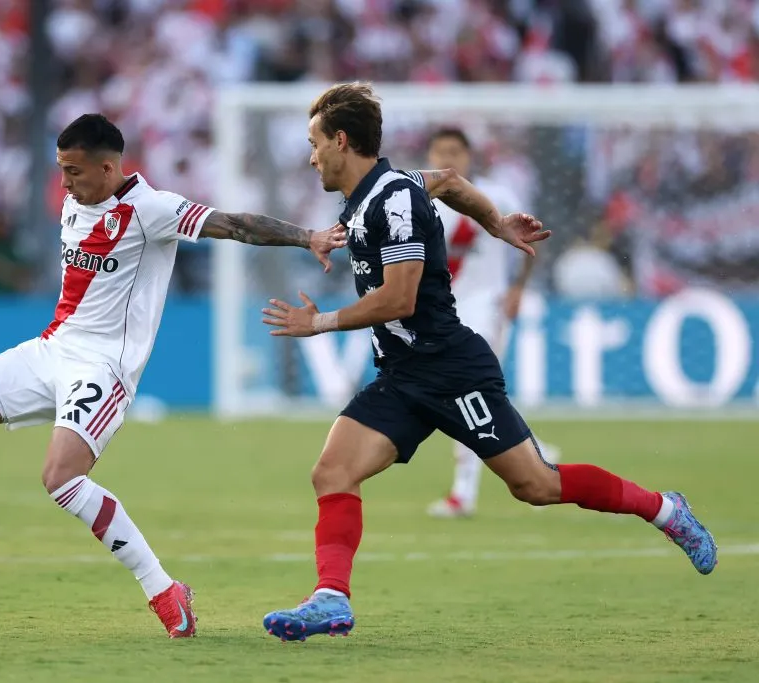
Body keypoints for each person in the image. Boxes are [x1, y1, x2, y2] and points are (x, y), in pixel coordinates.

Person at [0, 113, 347, 639]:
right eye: (61, 170)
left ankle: (163, 589)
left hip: (104, 368)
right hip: (52, 347)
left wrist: (307, 237)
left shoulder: (152, 209)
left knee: (60, 477)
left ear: (109, 169)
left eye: (74, 172)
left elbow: (235, 224)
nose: (65, 182)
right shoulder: (76, 199)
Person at [259, 83, 717, 642]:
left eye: (314, 144)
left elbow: (400, 299)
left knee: (537, 486)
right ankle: (331, 598)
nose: (310, 157)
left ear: (340, 139)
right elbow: (448, 183)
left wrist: (321, 322)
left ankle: (666, 511)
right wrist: (495, 223)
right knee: (332, 471)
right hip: (403, 376)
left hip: (452, 370)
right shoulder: (375, 196)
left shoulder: (394, 198)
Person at [419, 127, 561, 519]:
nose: (448, 158)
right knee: (480, 397)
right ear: (429, 155)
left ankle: (463, 494)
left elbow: (533, 240)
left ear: (469, 157)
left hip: (488, 306)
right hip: (445, 311)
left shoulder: (495, 197)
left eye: (455, 151)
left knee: (466, 390)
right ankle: (538, 453)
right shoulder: (418, 202)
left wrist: (517, 288)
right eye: (440, 150)